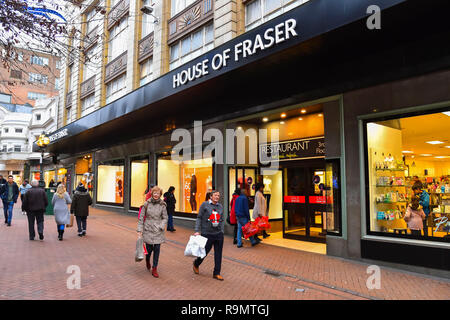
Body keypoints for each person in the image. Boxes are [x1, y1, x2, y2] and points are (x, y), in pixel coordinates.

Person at [193, 190, 225, 281]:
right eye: (215, 195)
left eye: (218, 195)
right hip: (207, 233)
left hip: (218, 234)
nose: (217, 197)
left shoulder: (220, 206)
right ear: (211, 196)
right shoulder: (204, 205)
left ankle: (217, 273)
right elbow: (199, 217)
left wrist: (222, 230)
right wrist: (197, 230)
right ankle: (196, 263)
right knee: (204, 252)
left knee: (218, 254)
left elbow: (222, 219)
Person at [137, 186, 168, 278]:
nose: (156, 195)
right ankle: (147, 259)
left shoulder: (163, 205)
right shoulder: (146, 204)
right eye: (154, 193)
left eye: (158, 193)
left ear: (160, 195)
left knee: (157, 249)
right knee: (149, 249)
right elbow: (141, 218)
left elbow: (165, 218)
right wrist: (139, 230)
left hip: (158, 230)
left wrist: (161, 226)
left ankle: (155, 268)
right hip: (148, 229)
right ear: (152, 194)